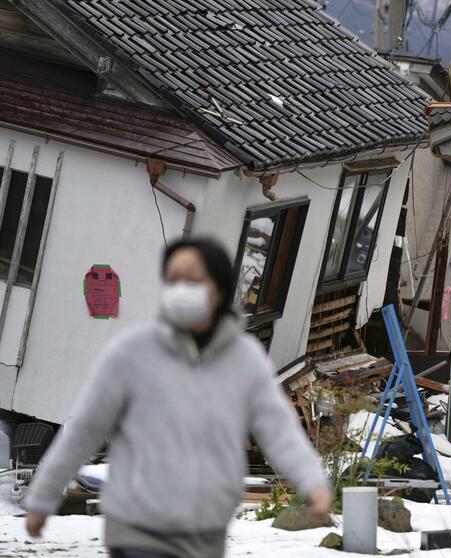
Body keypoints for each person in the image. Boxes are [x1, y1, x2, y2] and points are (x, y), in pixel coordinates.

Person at [24, 237, 331, 558]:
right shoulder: (131, 353)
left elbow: (278, 431)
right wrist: (44, 496)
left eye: (193, 280)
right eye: (173, 280)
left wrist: (312, 482)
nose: (182, 290)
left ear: (220, 288)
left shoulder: (244, 360)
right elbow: (84, 428)